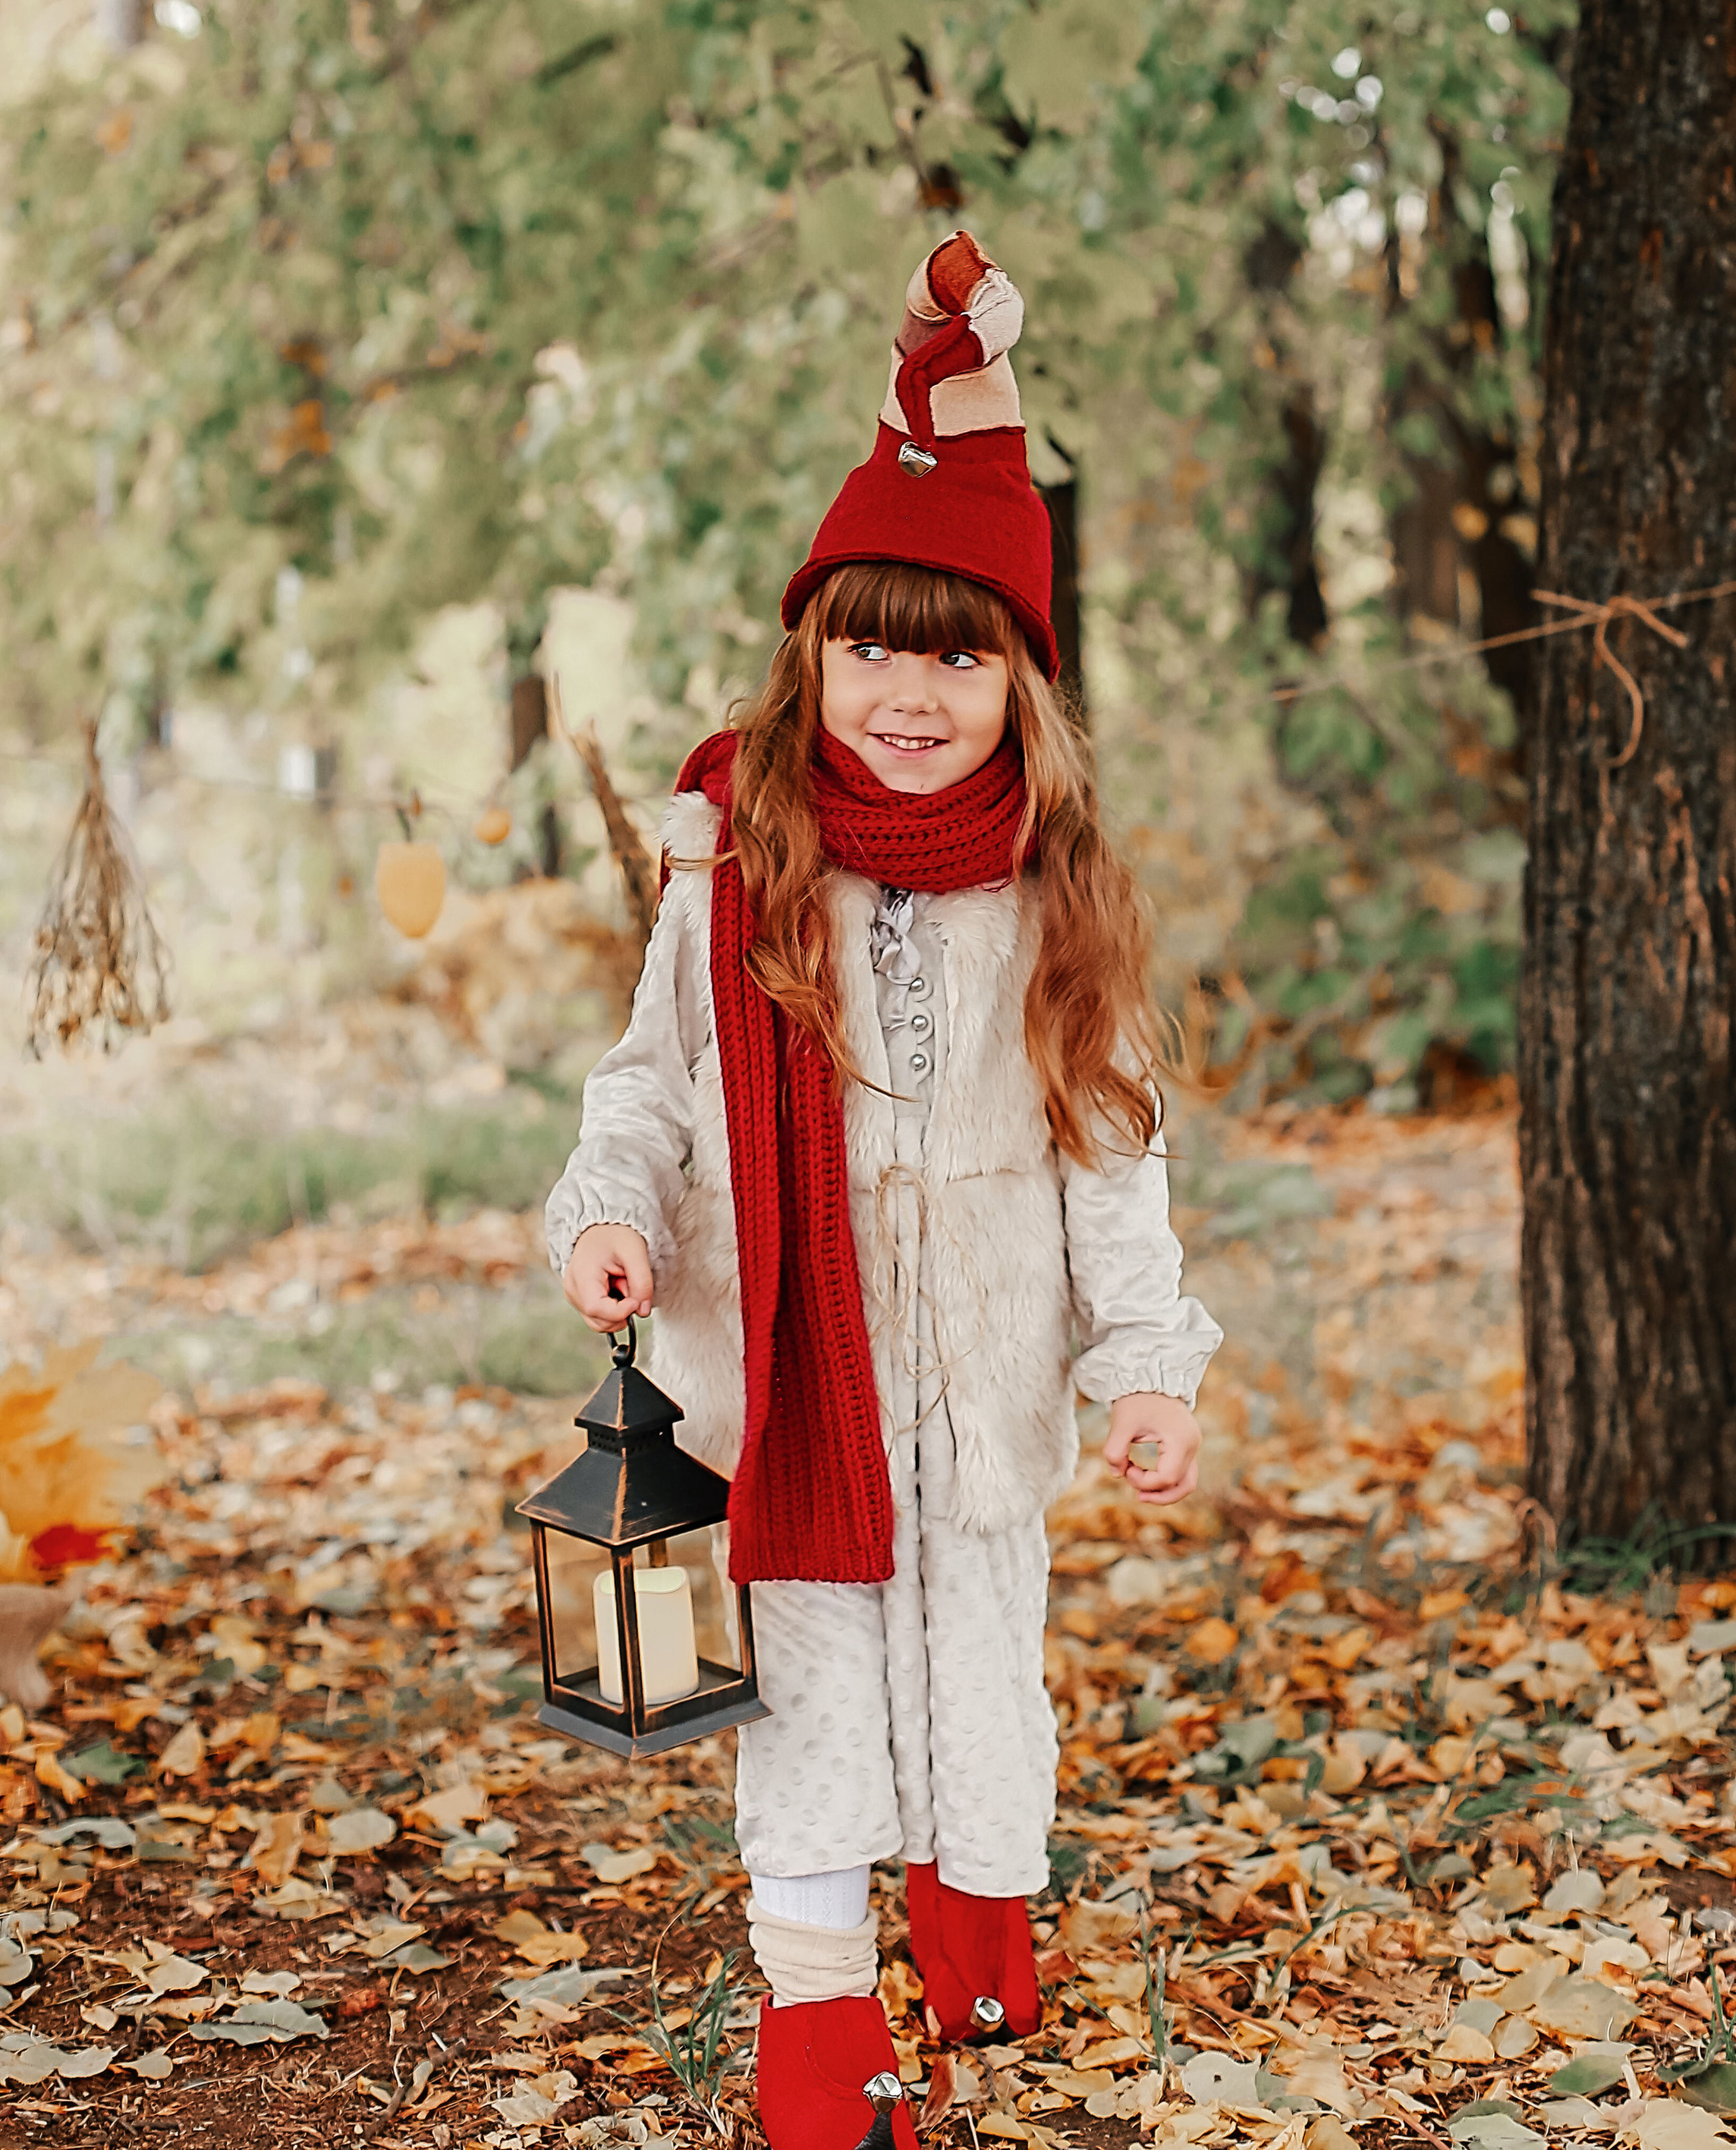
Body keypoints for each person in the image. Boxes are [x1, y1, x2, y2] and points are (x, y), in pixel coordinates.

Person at [546, 231, 1222, 2150]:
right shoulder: (737, 867)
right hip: (785, 1389)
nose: (906, 692)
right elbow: (652, 1085)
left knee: (979, 1672)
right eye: (868, 646)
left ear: (1020, 679)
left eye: (957, 652)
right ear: (809, 653)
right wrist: (610, 1210)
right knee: (813, 1700)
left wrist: (1139, 1360)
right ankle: (819, 2028)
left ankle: (975, 1908)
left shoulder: (1052, 896)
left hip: (980, 1395)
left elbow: (1110, 1148)